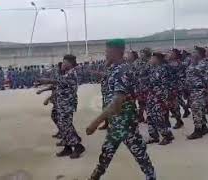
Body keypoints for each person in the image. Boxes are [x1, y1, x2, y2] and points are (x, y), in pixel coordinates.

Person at [86, 39, 156, 180]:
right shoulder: (116, 68)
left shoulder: (122, 71)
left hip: (124, 120)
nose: (105, 53)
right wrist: (108, 63)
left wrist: (95, 122)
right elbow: (107, 79)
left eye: (107, 51)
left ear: (116, 51)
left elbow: (117, 103)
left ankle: (151, 175)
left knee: (137, 151)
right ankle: (95, 177)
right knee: (109, 151)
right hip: (118, 120)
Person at [37, 55, 85, 159]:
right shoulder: (67, 73)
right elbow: (58, 86)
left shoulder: (72, 73)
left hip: (67, 104)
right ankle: (68, 148)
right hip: (62, 104)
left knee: (65, 125)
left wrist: (46, 80)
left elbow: (58, 82)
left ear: (69, 64)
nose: (62, 64)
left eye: (64, 63)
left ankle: (78, 146)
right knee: (63, 124)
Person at [146, 52, 174, 145]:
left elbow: (166, 85)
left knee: (158, 117)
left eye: (152, 58)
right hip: (151, 96)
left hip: (159, 97)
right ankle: (154, 136)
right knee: (150, 116)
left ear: (157, 59)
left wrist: (164, 99)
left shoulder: (163, 69)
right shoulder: (152, 69)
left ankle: (167, 136)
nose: (150, 60)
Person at [185, 47, 208, 140]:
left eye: (194, 52)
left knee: (196, 110)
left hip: (199, 90)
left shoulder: (204, 64)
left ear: (199, 54)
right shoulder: (192, 63)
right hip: (192, 90)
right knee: (199, 110)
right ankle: (203, 127)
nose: (192, 53)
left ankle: (197, 131)